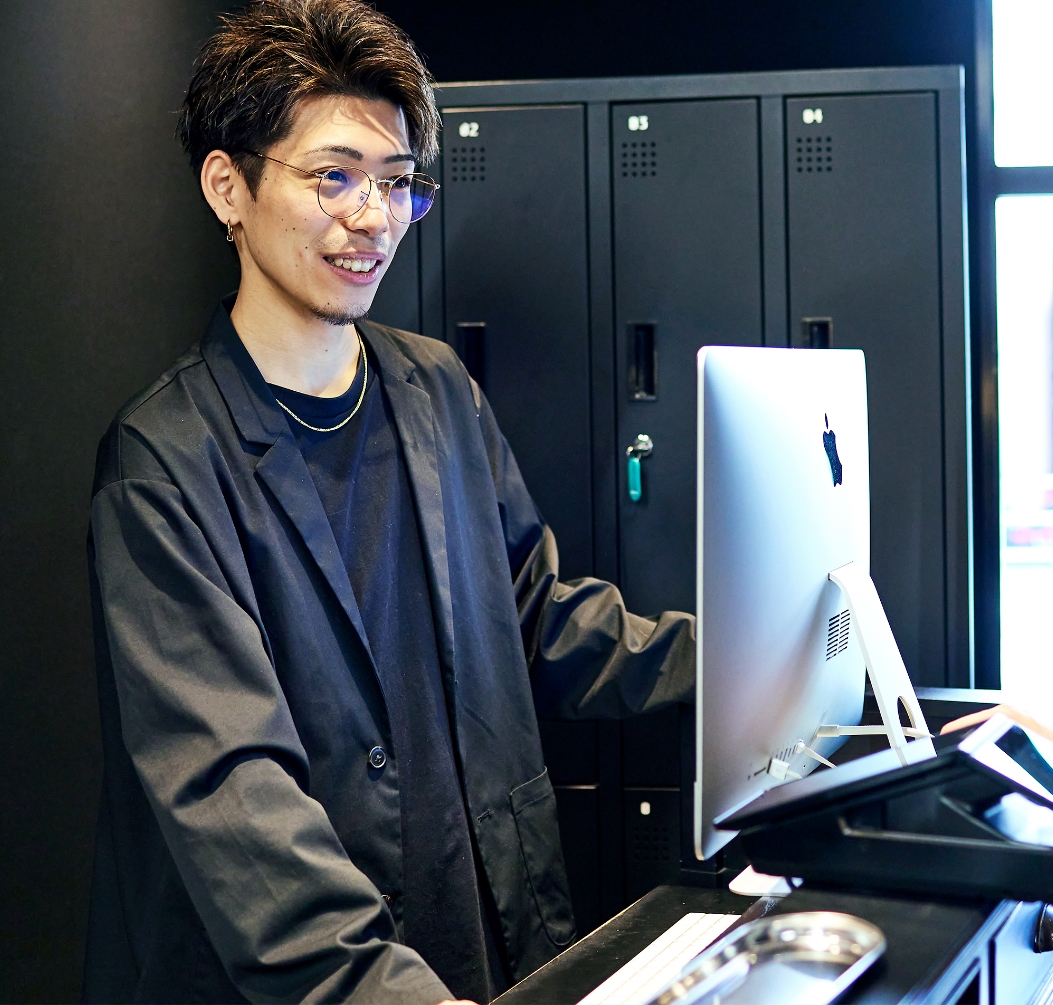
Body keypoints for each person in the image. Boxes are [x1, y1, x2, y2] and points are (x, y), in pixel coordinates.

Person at [83, 2, 694, 1003]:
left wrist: (749, 659)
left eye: (396, 182)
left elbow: (537, 618)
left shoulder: (436, 388)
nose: (371, 218)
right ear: (227, 187)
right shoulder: (165, 465)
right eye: (333, 177)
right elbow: (240, 807)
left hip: (483, 939)